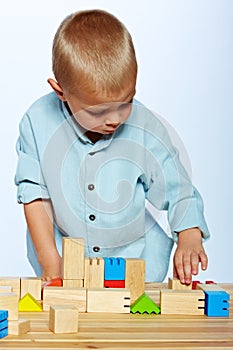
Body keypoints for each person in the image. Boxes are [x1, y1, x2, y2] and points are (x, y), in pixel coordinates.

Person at [15, 9, 210, 283]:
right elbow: (35, 196)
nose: (115, 119)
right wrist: (51, 264)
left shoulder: (144, 127)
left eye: (127, 102)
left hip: (137, 264)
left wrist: (189, 235)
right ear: (61, 92)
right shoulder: (36, 122)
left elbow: (177, 187)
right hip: (63, 264)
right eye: (97, 112)